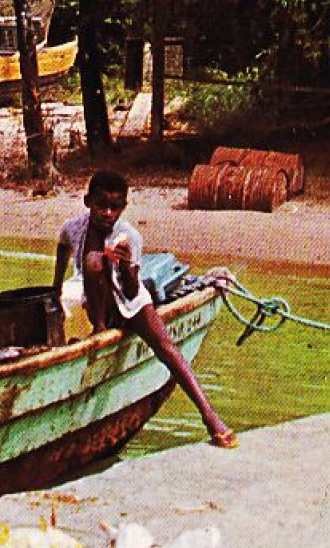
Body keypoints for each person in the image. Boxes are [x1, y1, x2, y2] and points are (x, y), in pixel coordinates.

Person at [54, 170, 238, 449]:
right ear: (87, 201)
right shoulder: (73, 228)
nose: (107, 213)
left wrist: (126, 266)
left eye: (114, 208)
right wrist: (55, 292)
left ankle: (211, 417)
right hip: (99, 303)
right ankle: (100, 328)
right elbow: (63, 250)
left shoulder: (129, 237)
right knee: (92, 261)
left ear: (123, 208)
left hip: (131, 300)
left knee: (166, 347)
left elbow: (130, 290)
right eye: (101, 205)